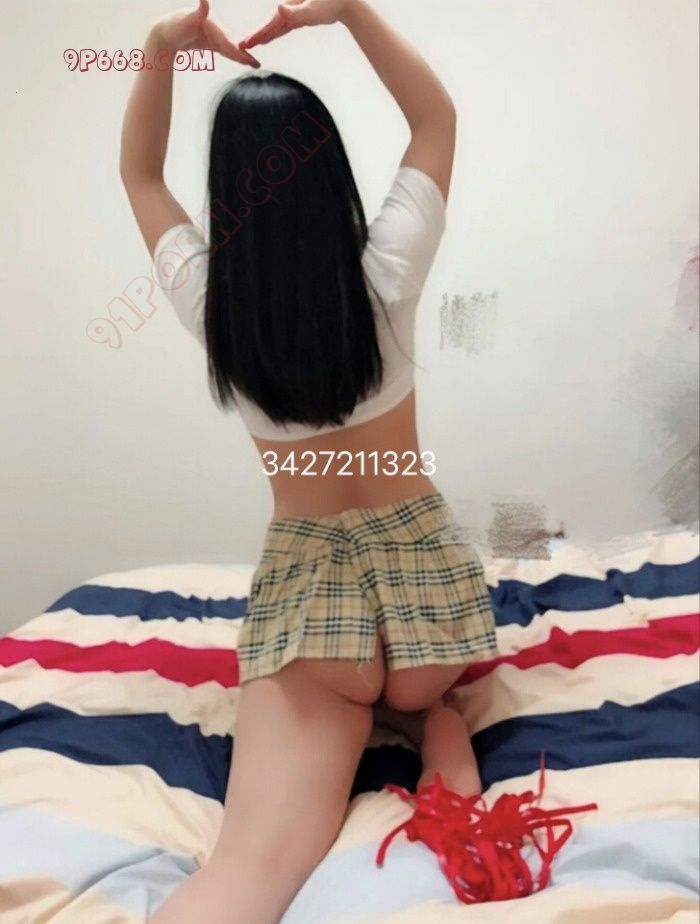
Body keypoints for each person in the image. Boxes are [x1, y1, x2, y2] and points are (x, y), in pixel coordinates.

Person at [119, 1, 499, 921]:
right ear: (330, 175)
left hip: (316, 621)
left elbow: (139, 173)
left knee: (248, 870)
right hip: (431, 613)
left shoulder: (214, 307)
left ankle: (397, 717)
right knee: (427, 705)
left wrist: (160, 45)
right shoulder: (387, 272)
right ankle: (429, 720)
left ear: (227, 195)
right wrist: (348, 10)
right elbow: (436, 116)